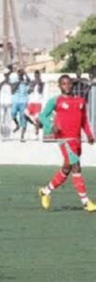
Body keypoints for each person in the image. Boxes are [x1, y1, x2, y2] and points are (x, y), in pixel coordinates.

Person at [38, 75, 96, 212]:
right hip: (64, 139)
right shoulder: (55, 101)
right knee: (76, 166)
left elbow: (84, 121)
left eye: (69, 84)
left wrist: (89, 134)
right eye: (64, 84)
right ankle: (86, 202)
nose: (67, 86)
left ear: (72, 85)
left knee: (66, 169)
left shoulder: (80, 101)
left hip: (76, 139)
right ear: (60, 86)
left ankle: (45, 191)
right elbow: (43, 116)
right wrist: (51, 125)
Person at [11, 69, 30, 141]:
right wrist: (18, 82)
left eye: (22, 74)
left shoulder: (25, 81)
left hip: (23, 101)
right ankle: (17, 124)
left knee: (23, 118)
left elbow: (29, 81)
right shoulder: (14, 80)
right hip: (15, 100)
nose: (20, 75)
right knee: (13, 113)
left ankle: (22, 136)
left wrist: (25, 73)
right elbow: (12, 90)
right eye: (20, 74)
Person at [26, 70, 44, 136]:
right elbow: (28, 92)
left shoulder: (41, 83)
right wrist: (31, 86)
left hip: (38, 102)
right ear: (34, 76)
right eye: (35, 75)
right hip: (31, 102)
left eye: (38, 75)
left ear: (39, 76)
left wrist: (38, 83)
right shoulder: (32, 82)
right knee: (25, 114)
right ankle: (35, 124)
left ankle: (36, 133)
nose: (36, 77)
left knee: (36, 118)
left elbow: (40, 91)